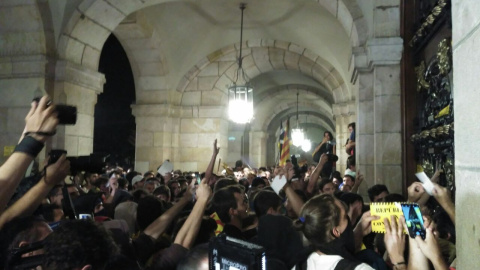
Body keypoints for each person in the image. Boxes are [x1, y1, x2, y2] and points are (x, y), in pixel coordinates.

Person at [294, 194, 375, 269]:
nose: (348, 219)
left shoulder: (299, 265)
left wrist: (358, 233)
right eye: (345, 217)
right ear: (335, 231)